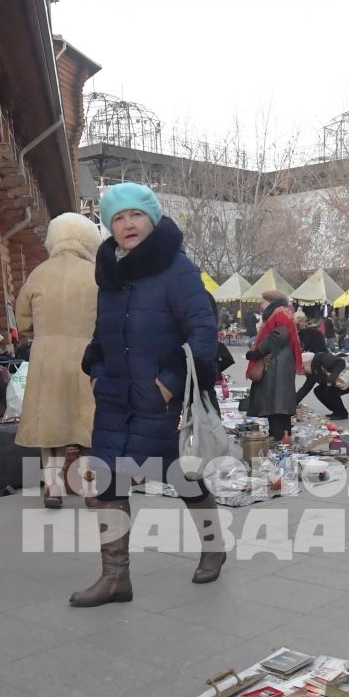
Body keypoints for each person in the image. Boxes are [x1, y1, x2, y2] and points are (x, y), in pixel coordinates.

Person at [73, 182, 224, 607]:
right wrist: (97, 371)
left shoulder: (178, 269)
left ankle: (213, 547)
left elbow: (204, 332)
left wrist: (168, 383)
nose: (127, 225)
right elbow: (102, 334)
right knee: (107, 484)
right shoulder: (110, 275)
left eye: (135, 215)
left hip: (161, 401)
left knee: (183, 477)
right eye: (118, 219)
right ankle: (114, 578)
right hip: (115, 397)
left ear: (151, 218)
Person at [14, 212, 101, 508]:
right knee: (88, 425)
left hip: (47, 359)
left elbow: (22, 322)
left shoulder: (38, 274)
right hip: (88, 358)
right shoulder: (96, 274)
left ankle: (53, 488)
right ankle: (89, 489)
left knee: (51, 427)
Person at [245, 288, 301, 441]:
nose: (261, 304)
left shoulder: (280, 313)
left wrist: (258, 352)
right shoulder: (281, 313)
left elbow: (279, 336)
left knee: (275, 404)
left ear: (271, 302)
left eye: (263, 301)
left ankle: (277, 438)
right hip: (278, 363)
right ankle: (283, 437)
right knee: (278, 405)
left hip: (277, 365)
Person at [295, 304, 349, 420]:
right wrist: (293, 402)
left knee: (329, 390)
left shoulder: (320, 358)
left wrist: (331, 380)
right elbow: (306, 387)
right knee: (319, 390)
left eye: (302, 369)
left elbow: (340, 363)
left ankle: (342, 413)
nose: (302, 372)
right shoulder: (312, 368)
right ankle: (337, 411)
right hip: (339, 377)